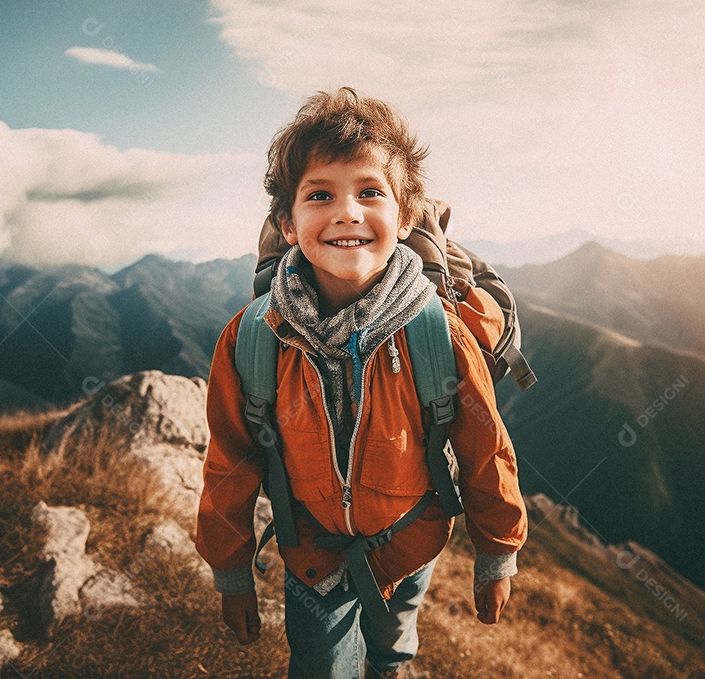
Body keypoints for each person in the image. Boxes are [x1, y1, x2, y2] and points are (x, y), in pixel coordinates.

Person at [195, 87, 527, 679]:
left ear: (405, 218)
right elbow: (231, 458)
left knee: (392, 644)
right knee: (319, 667)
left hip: (411, 538)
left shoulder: (438, 332)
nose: (347, 212)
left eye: (370, 192)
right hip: (312, 551)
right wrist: (231, 572)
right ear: (287, 224)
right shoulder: (253, 338)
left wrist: (497, 552)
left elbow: (484, 447)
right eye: (320, 194)